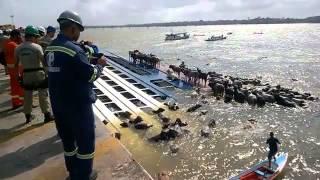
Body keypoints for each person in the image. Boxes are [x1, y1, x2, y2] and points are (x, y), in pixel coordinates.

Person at [45, 10, 106, 180]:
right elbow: (91, 75)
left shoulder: (50, 47)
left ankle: (73, 173)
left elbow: (61, 69)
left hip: (58, 103)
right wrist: (100, 65)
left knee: (68, 142)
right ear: (72, 28)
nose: (78, 35)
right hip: (77, 105)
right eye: (78, 30)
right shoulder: (73, 50)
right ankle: (83, 176)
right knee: (86, 144)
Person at [15, 25, 54, 123]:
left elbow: (16, 64)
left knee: (27, 95)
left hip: (26, 75)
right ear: (33, 36)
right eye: (36, 37)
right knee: (43, 94)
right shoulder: (37, 47)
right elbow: (44, 62)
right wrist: (48, 74)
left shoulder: (18, 48)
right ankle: (47, 115)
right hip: (38, 73)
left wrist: (18, 76)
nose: (37, 39)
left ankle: (28, 116)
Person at [4, 29, 24, 109]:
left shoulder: (7, 43)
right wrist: (22, 41)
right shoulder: (13, 45)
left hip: (11, 70)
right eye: (18, 36)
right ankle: (23, 102)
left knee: (14, 87)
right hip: (17, 70)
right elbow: (22, 51)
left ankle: (15, 102)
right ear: (16, 36)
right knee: (21, 87)